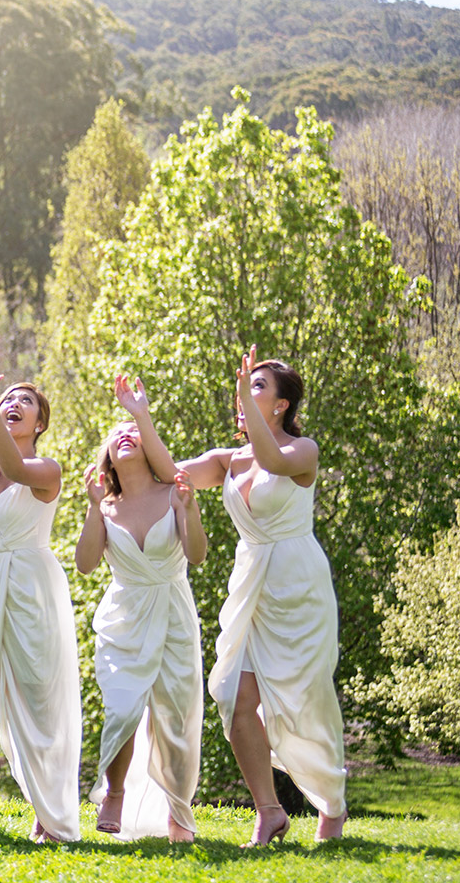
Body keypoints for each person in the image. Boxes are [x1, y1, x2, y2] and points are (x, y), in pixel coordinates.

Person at [140, 348, 347, 845]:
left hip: (298, 584)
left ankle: (332, 804)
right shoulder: (227, 461)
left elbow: (273, 459)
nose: (245, 394)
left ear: (281, 405)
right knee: (234, 696)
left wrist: (244, 400)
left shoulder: (303, 451)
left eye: (257, 387)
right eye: (245, 386)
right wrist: (141, 415)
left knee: (308, 700)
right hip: (250, 583)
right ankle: (269, 811)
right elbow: (168, 472)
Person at [74, 376, 206, 842]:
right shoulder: (105, 506)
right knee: (122, 706)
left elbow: (196, 556)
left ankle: (178, 810)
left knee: (176, 715)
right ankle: (114, 793)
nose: (126, 434)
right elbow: (86, 564)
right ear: (108, 456)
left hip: (172, 610)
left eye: (134, 430)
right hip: (124, 616)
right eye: (118, 434)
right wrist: (93, 508)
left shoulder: (174, 494)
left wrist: (190, 510)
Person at [0, 366, 80, 843]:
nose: (14, 403)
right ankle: (40, 802)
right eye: (6, 398)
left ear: (40, 423)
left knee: (40, 694)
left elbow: (16, 469)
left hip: (34, 586)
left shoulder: (45, 470)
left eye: (24, 402)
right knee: (9, 697)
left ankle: (55, 813)